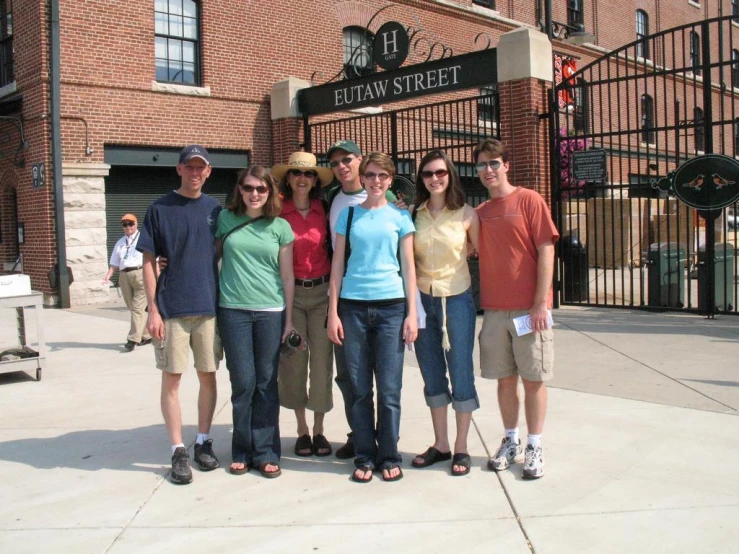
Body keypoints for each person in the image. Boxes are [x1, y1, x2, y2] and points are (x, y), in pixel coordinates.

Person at [327, 152, 417, 483]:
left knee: (390, 388)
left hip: (392, 308)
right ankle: (365, 454)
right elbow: (337, 266)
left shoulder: (400, 218)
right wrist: (332, 312)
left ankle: (389, 454)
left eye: (382, 176)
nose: (375, 181)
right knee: (360, 388)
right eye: (370, 175)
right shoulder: (348, 217)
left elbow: (409, 268)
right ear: (362, 179)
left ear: (390, 181)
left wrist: (412, 314)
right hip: (352, 308)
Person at [473, 138, 559, 480]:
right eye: (481, 165)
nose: (488, 170)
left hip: (529, 310)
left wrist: (541, 303)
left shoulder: (529, 200)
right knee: (504, 381)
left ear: (506, 165)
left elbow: (547, 250)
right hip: (494, 311)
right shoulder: (479, 213)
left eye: (494, 163)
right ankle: (511, 440)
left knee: (534, 379)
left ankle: (535, 445)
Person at [137, 145, 222, 485]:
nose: (195, 172)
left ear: (209, 171)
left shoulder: (216, 210)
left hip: (208, 308)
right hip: (171, 309)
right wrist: (153, 309)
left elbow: (222, 252)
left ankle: (202, 441)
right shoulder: (159, 209)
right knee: (172, 379)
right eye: (189, 166)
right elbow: (147, 259)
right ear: (179, 169)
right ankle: (177, 450)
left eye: (200, 167)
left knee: (208, 375)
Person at [216, 165, 295, 479]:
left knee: (265, 383)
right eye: (248, 188)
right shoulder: (224, 220)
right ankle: (242, 449)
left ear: (270, 192)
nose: (254, 194)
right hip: (233, 311)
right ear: (239, 189)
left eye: (261, 189)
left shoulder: (280, 227)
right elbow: (207, 255)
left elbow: (287, 276)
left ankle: (266, 451)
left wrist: (288, 321)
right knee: (243, 383)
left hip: (270, 312)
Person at [325, 139, 398, 459]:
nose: (342, 166)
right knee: (350, 375)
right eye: (335, 162)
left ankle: (385, 442)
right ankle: (360, 434)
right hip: (345, 299)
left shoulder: (385, 197)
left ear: (361, 162)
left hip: (384, 299)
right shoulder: (331, 198)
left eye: (348, 159)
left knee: (384, 379)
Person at [410, 150, 480, 477]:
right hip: (424, 301)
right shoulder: (413, 214)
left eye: (440, 172)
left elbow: (478, 251)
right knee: (432, 372)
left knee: (461, 370)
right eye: (427, 174)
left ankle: (462, 446)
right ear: (421, 179)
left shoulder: (467, 214)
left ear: (450, 174)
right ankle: (441, 444)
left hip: (457, 301)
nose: (434, 178)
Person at [270, 152, 335, 458]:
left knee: (321, 363)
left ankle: (320, 429)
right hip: (291, 297)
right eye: (296, 172)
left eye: (308, 174)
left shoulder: (326, 208)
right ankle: (301, 430)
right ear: (288, 178)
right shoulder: (277, 212)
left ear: (315, 181)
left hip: (322, 294)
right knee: (294, 362)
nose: (302, 178)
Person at [103, 213, 152, 351]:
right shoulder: (120, 243)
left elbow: (154, 257)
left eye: (130, 224)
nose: (128, 227)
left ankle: (132, 339)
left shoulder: (144, 239)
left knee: (137, 307)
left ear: (136, 224)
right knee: (133, 307)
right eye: (125, 224)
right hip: (124, 275)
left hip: (140, 273)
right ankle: (147, 335)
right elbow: (114, 262)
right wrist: (108, 275)